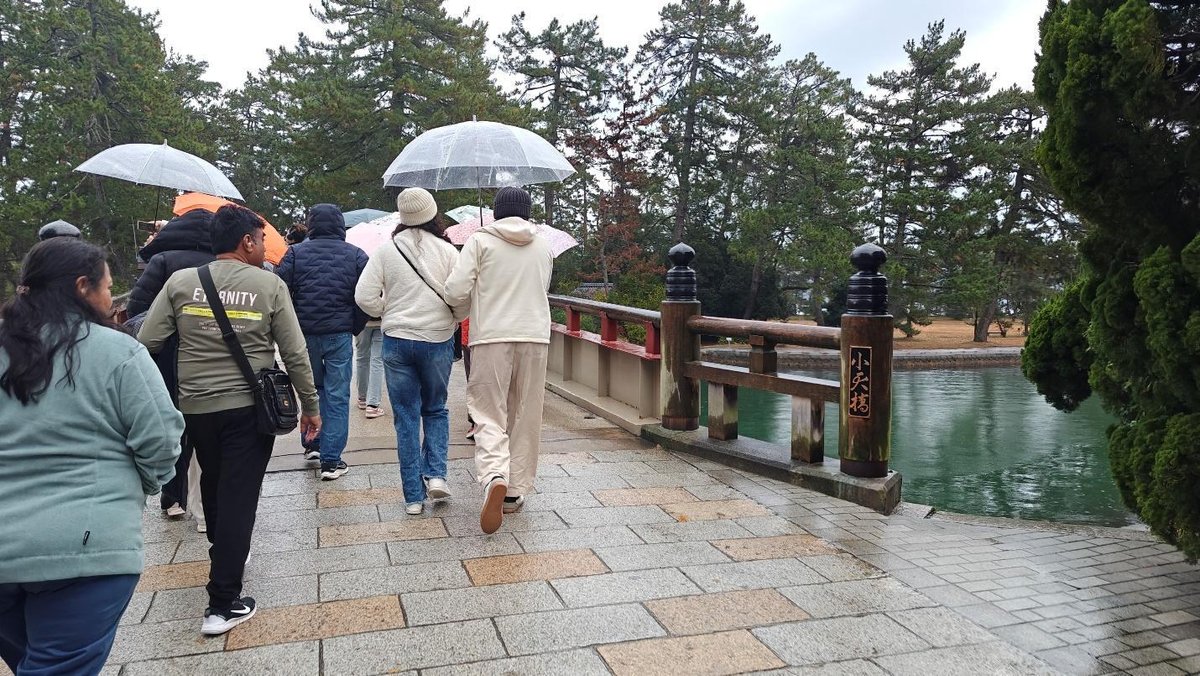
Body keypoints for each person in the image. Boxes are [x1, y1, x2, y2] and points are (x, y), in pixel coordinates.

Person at [0, 238, 183, 673]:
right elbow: (160, 438)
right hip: (87, 548)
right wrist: (141, 485)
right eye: (106, 287)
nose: (109, 297)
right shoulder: (118, 352)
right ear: (83, 287)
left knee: (33, 660)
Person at [138, 205, 320, 636]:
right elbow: (294, 353)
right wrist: (311, 406)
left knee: (215, 484)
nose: (262, 246)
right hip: (248, 410)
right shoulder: (269, 285)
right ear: (247, 242)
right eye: (259, 239)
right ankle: (222, 602)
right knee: (240, 496)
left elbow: (148, 339)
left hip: (196, 408)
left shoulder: (182, 283)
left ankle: (225, 553)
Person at [444, 187, 554, 534]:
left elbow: (456, 289)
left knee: (489, 411)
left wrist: (467, 305)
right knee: (525, 412)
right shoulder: (543, 245)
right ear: (527, 211)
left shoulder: (480, 240)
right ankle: (514, 491)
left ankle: (494, 474)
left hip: (491, 335)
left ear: (495, 212)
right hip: (535, 335)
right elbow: (543, 287)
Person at [355, 188, 465, 515]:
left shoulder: (387, 252)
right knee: (435, 408)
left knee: (405, 416)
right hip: (436, 338)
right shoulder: (447, 252)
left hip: (397, 340)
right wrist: (455, 318)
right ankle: (436, 475)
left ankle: (413, 497)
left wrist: (386, 309)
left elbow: (363, 296)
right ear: (433, 212)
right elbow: (463, 294)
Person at [125, 205, 215, 522]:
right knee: (204, 420)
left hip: (166, 352)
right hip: (208, 352)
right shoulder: (221, 263)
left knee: (172, 418)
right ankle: (206, 497)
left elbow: (137, 305)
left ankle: (172, 496)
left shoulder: (162, 260)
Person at [277, 204, 368, 480]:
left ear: (311, 224)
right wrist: (354, 325)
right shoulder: (356, 255)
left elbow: (279, 289)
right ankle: (332, 459)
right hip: (339, 333)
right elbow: (366, 294)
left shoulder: (295, 253)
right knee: (338, 395)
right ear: (340, 225)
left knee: (311, 389)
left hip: (304, 334)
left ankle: (312, 444)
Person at [356, 318, 385, 418]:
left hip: (361, 320)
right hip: (381, 320)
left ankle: (362, 398)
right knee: (377, 361)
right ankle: (372, 405)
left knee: (361, 358)